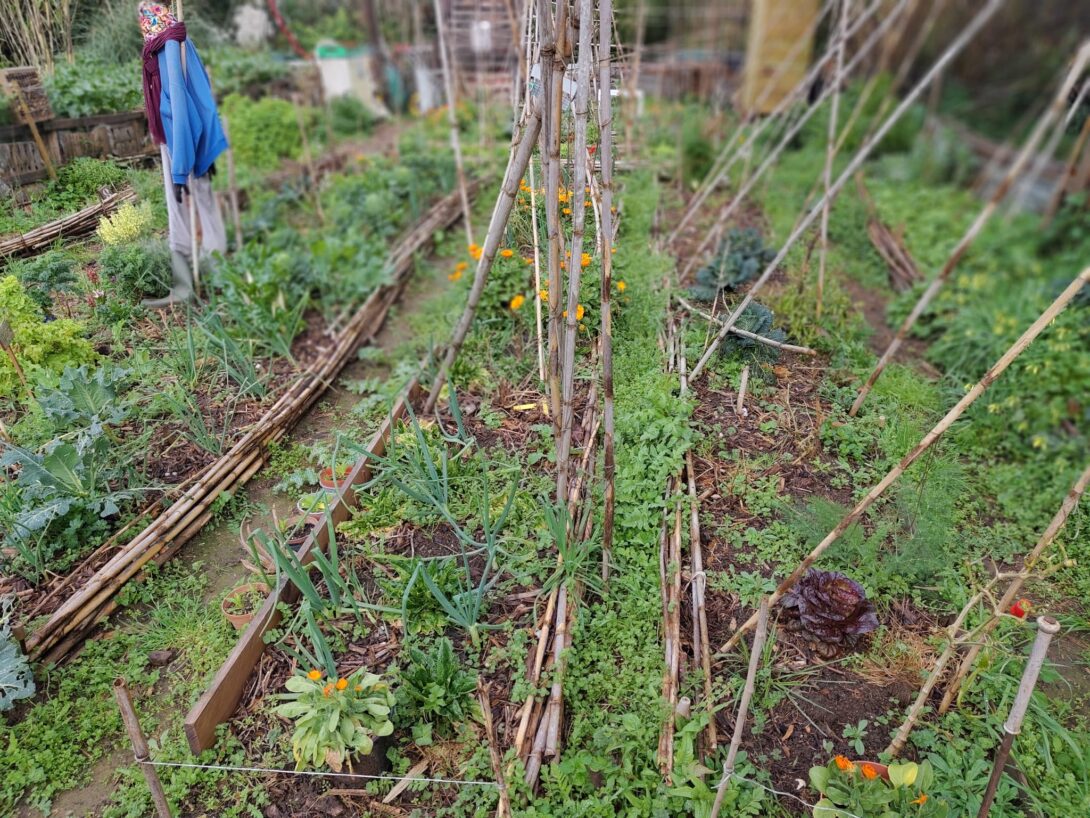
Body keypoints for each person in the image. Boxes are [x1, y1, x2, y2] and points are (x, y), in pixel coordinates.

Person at [138, 1, 229, 308]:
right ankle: (215, 280)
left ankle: (192, 286)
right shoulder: (181, 39)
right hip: (197, 133)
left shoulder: (166, 47)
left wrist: (179, 170)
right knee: (204, 200)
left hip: (182, 139)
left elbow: (177, 104)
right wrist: (209, 142)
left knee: (180, 207)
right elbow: (202, 92)